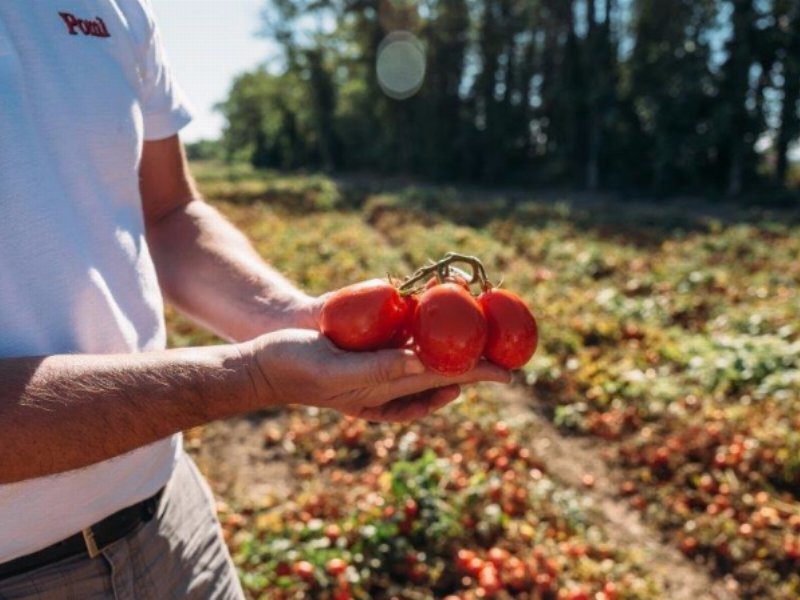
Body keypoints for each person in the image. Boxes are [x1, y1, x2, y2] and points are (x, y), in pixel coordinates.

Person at [0, 2, 510, 598]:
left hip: (172, 519)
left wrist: (300, 320)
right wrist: (253, 376)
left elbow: (170, 213)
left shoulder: (115, 9)